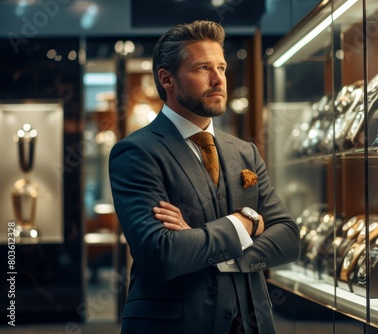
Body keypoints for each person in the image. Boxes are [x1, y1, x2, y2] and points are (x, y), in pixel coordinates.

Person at [109, 20, 300, 334]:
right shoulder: (136, 152)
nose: (218, 80)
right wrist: (246, 223)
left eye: (222, 68)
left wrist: (209, 249)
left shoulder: (245, 152)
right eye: (202, 69)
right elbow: (163, 254)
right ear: (167, 79)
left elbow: (289, 239)